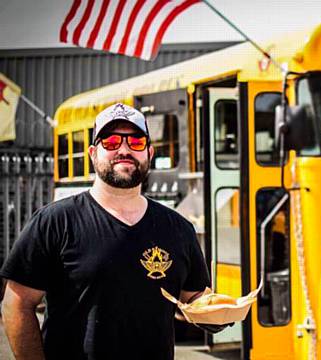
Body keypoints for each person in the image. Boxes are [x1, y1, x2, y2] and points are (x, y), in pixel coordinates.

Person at [1, 103, 226, 360]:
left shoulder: (179, 228)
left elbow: (192, 299)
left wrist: (219, 313)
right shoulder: (55, 222)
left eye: (136, 142)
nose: (124, 149)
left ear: (150, 153)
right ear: (93, 153)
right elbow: (16, 304)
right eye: (111, 141)